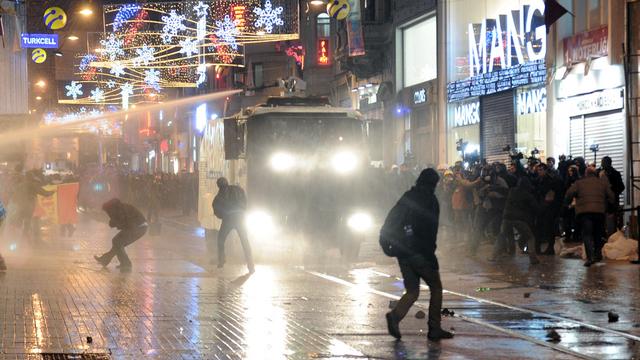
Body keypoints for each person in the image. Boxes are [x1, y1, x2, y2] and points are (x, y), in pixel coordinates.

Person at [384, 168, 453, 341]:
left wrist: (390, 245)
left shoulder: (408, 196)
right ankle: (434, 328)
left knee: (412, 290)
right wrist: (430, 253)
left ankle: (395, 316)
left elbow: (392, 218)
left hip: (402, 251)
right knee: (436, 288)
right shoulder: (430, 200)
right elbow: (430, 230)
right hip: (420, 252)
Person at [565, 167, 616, 267]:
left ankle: (590, 257)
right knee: (598, 234)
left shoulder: (579, 183)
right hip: (599, 212)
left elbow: (569, 193)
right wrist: (607, 205)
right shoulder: (602, 183)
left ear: (586, 173)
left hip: (585, 213)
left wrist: (567, 203)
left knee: (587, 234)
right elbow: (612, 196)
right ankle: (597, 255)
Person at [491, 177, 540, 265]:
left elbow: (502, 190)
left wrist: (491, 187)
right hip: (519, 219)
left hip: (506, 217)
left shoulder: (512, 190)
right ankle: (533, 258)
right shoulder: (527, 195)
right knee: (530, 237)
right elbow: (536, 208)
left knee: (501, 235)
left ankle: (493, 256)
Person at [212, 177, 254, 273]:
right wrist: (243, 210)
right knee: (245, 241)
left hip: (228, 220)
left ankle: (221, 261)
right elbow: (245, 200)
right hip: (240, 218)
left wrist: (224, 216)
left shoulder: (218, 196)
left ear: (218, 186)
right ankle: (250, 264)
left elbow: (216, 210)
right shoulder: (238, 189)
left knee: (220, 239)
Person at [94, 198, 148, 270]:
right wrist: (114, 223)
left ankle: (126, 264)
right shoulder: (118, 208)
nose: (107, 213)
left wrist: (115, 223)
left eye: (107, 211)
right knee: (118, 243)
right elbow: (117, 221)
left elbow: (123, 222)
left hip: (139, 227)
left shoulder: (120, 210)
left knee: (118, 242)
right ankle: (107, 260)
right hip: (137, 227)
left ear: (110, 208)